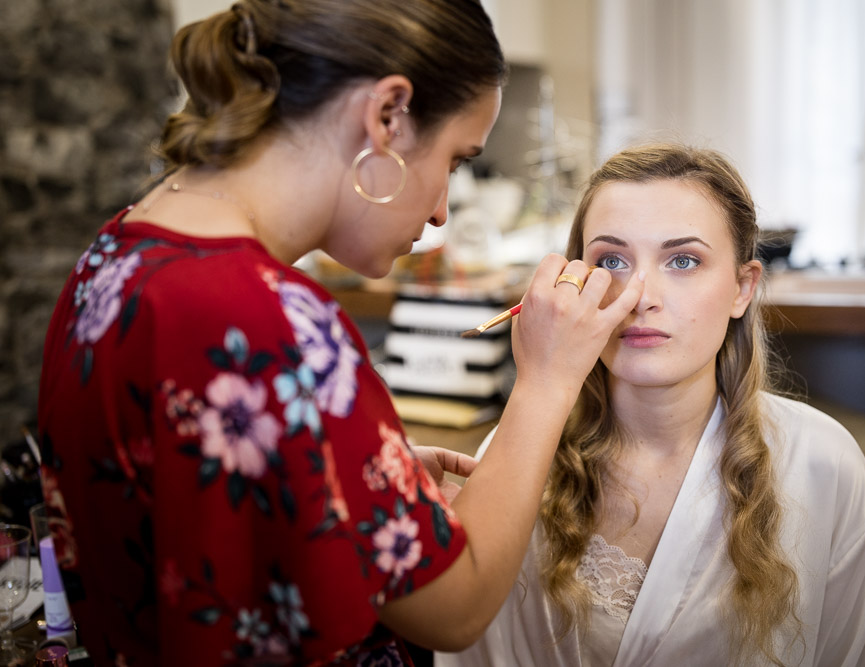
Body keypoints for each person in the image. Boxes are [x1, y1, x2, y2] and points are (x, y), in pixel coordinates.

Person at [34, 1, 644, 664]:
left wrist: (346, 472)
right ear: (386, 117)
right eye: (456, 160)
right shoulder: (272, 321)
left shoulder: (118, 251)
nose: (442, 211)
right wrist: (547, 381)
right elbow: (457, 606)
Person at [437, 143, 865, 666]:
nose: (641, 295)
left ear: (743, 288)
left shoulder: (826, 467)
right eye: (612, 261)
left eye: (683, 260)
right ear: (576, 281)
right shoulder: (514, 456)